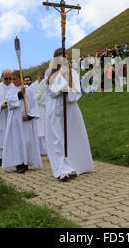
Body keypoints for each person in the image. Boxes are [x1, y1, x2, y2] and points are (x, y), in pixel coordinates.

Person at [45, 48, 94, 181]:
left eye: (65, 55)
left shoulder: (73, 72)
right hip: (56, 110)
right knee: (57, 139)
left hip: (70, 108)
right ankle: (60, 170)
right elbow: (52, 91)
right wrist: (60, 76)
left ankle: (76, 165)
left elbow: (77, 92)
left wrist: (69, 90)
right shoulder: (49, 73)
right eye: (61, 56)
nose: (64, 58)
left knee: (72, 137)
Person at [1, 70, 42, 174]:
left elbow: (33, 104)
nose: (12, 81)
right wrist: (19, 95)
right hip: (15, 121)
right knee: (17, 142)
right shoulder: (11, 89)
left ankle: (26, 162)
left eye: (14, 79)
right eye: (11, 79)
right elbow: (9, 102)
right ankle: (19, 164)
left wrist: (30, 116)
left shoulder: (29, 90)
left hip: (26, 121)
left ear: (20, 78)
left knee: (27, 141)